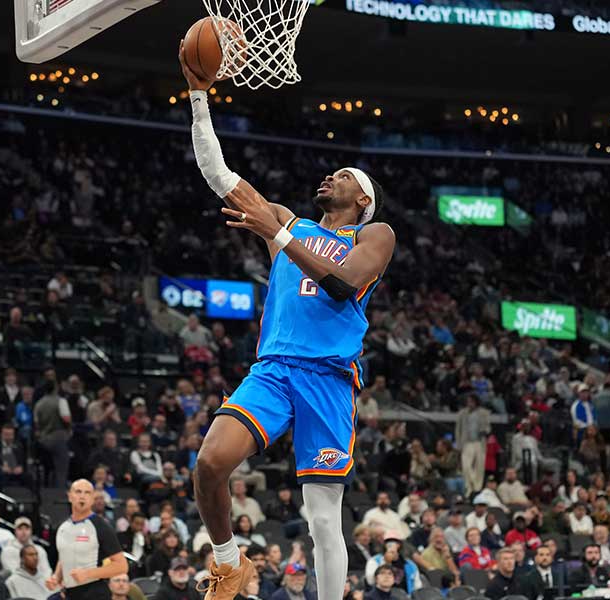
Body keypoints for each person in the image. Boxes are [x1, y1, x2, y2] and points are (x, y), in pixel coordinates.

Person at [179, 45, 395, 600]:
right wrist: (199, 97)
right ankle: (229, 563)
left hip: (327, 377)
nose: (331, 176)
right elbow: (217, 172)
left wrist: (277, 237)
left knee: (322, 518)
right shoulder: (289, 221)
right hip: (274, 369)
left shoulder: (373, 235)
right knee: (208, 463)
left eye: (342, 174)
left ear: (363, 196)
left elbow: (343, 284)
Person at [51, 479, 127, 600]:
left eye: (87, 493)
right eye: (78, 492)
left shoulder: (101, 526)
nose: (82, 496)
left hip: (95, 594)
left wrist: (88, 574)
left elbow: (122, 566)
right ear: (70, 496)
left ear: (92, 499)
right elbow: (65, 555)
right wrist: (56, 576)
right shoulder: (63, 528)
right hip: (69, 594)